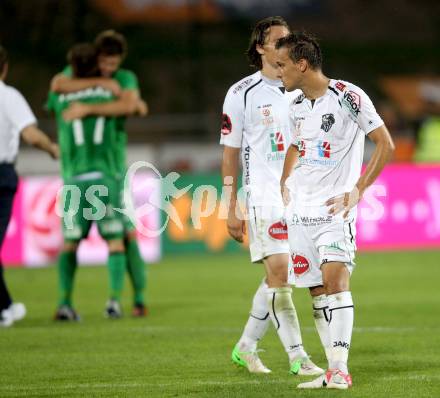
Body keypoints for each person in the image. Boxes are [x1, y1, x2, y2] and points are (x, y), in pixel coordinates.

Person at [276, 32, 395, 389]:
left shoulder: (348, 96)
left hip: (334, 210)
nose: (277, 71)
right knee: (315, 290)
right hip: (299, 210)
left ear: (302, 64)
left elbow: (385, 144)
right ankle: (332, 370)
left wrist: (358, 191)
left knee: (335, 282)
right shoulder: (295, 103)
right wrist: (285, 182)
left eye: (282, 65)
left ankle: (341, 370)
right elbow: (297, 144)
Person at [221, 17, 323, 376]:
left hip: (302, 196)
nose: (285, 43)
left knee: (281, 276)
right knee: (281, 271)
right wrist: (231, 205)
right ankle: (298, 357)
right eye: (278, 39)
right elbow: (230, 154)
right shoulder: (241, 93)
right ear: (261, 47)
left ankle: (246, 346)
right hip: (264, 195)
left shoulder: (300, 88)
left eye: (288, 38)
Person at [51, 30, 149, 317]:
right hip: (108, 173)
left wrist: (86, 108)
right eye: (104, 63)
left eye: (112, 64)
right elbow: (135, 106)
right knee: (121, 235)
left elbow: (56, 86)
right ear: (95, 59)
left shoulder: (121, 78)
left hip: (95, 172)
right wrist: (104, 85)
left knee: (117, 236)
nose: (108, 68)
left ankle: (137, 299)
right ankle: (120, 300)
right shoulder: (102, 81)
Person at [0, 45, 59, 327]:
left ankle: (6, 307)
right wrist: (52, 148)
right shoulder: (8, 96)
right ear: (5, 67)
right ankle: (6, 307)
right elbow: (31, 134)